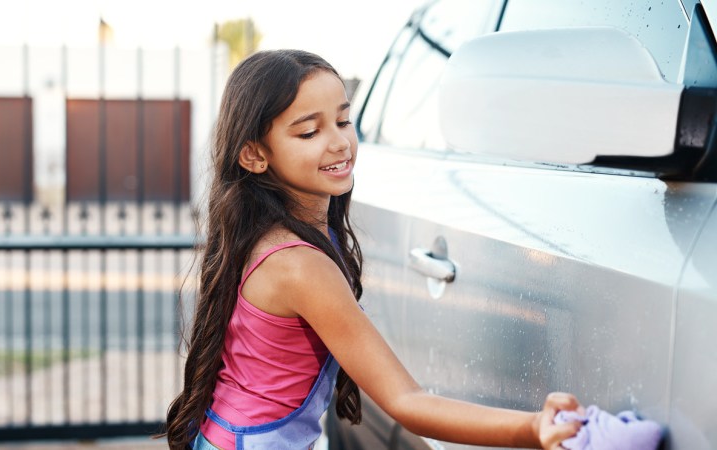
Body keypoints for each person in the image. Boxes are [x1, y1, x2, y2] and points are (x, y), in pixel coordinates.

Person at [163, 49, 583, 450]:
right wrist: (534, 428)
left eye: (343, 121)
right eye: (309, 131)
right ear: (254, 155)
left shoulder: (273, 236)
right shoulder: (299, 266)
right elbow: (406, 401)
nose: (340, 142)